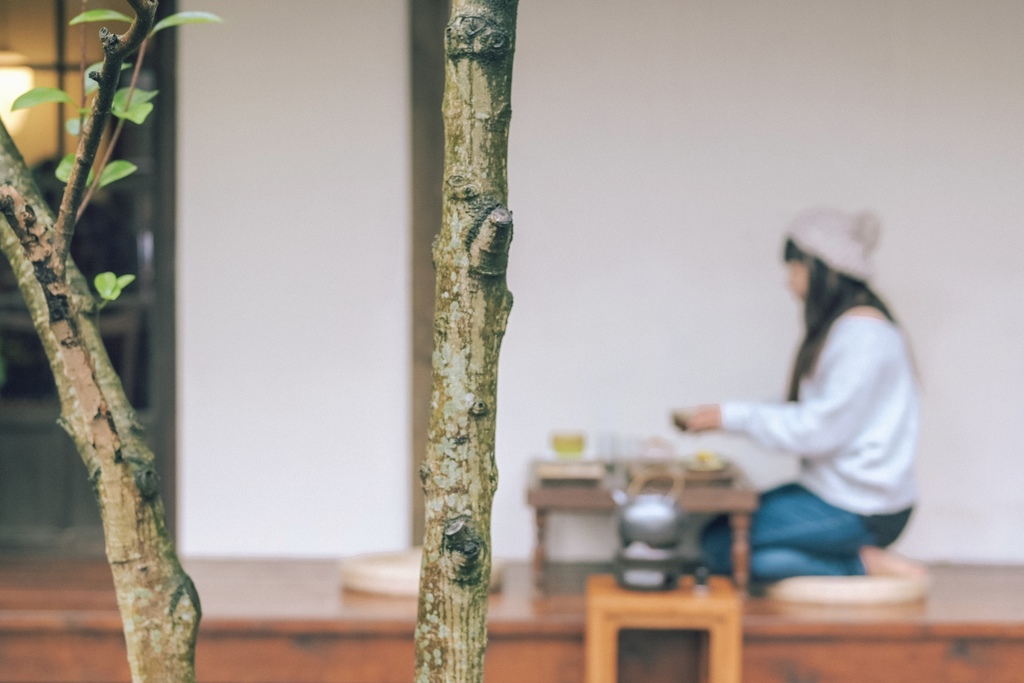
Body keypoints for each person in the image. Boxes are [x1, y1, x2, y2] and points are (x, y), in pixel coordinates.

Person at [674, 208, 926, 582]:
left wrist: (732, 417)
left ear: (821, 268)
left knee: (720, 547)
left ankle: (859, 565)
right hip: (837, 493)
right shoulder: (850, 328)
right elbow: (813, 412)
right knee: (720, 533)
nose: (788, 281)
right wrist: (729, 415)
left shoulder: (862, 336)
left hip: (862, 506)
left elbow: (816, 430)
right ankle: (852, 559)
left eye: (794, 267)